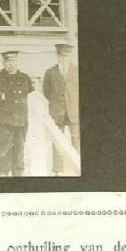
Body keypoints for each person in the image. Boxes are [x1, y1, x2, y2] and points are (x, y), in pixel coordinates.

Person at [0, 51, 35, 177]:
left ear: (17, 62)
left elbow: (32, 95)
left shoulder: (24, 77)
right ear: (3, 63)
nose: (11, 65)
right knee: (4, 150)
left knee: (19, 149)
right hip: (4, 120)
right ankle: (2, 174)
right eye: (8, 62)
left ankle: (18, 174)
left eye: (13, 61)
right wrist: (0, 96)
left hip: (21, 119)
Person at [42, 43, 80, 174]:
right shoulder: (50, 72)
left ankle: (77, 168)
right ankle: (57, 170)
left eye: (66, 56)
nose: (63, 59)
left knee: (76, 140)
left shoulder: (76, 71)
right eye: (61, 56)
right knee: (58, 142)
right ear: (57, 56)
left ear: (69, 56)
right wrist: (57, 105)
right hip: (57, 112)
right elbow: (46, 92)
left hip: (73, 112)